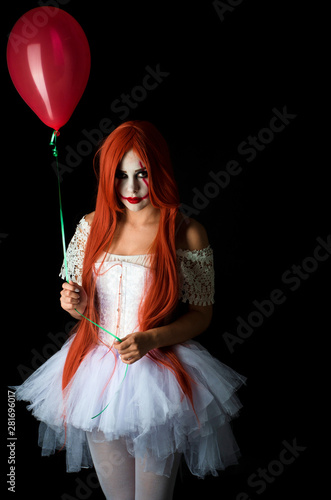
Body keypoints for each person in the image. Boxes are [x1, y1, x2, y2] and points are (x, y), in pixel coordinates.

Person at [13, 121, 246, 500]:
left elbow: (202, 316)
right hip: (97, 376)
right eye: (121, 176)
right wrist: (76, 304)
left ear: (161, 172)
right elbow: (83, 307)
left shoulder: (186, 232)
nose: (131, 188)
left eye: (143, 174)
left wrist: (151, 337)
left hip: (159, 378)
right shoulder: (91, 227)